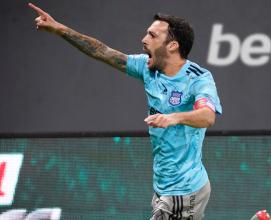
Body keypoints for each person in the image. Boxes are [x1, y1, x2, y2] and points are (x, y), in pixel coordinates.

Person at [28, 3, 222, 220]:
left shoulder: (198, 79)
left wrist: (173, 117)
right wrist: (59, 29)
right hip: (163, 187)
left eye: (152, 35)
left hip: (183, 190)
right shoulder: (148, 69)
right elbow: (102, 51)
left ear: (172, 45)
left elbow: (207, 116)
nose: (144, 39)